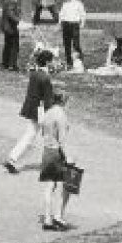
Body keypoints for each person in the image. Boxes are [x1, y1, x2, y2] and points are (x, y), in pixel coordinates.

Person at [5, 52, 54, 174]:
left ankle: (12, 158)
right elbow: (48, 99)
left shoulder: (34, 74)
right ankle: (54, 163)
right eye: (51, 61)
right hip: (42, 111)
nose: (53, 63)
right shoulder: (46, 77)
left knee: (30, 135)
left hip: (33, 108)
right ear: (47, 62)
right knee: (51, 136)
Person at [38, 92, 74, 231]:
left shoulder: (48, 112)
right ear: (64, 101)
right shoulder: (61, 115)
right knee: (69, 185)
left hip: (47, 151)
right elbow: (62, 140)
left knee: (49, 186)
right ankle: (59, 216)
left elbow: (42, 131)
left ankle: (47, 219)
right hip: (57, 153)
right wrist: (69, 158)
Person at [58, 0, 87, 70]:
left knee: (76, 44)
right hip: (65, 25)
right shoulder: (65, 4)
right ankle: (69, 63)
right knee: (67, 45)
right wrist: (60, 24)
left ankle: (79, 61)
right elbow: (61, 14)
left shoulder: (78, 3)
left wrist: (82, 23)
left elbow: (83, 14)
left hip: (74, 25)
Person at [0, 0, 23, 71]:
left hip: (7, 26)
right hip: (10, 27)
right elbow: (10, 13)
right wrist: (19, 21)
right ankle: (12, 65)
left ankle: (5, 64)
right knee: (14, 46)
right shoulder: (12, 0)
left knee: (8, 45)